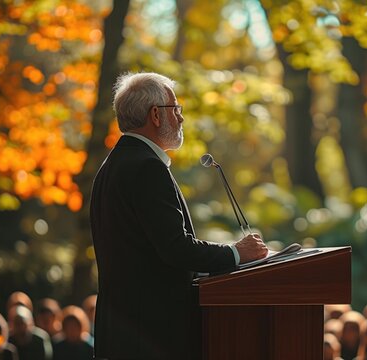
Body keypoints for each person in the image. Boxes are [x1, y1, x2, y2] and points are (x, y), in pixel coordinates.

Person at [90, 72, 268, 359]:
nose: (181, 118)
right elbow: (175, 248)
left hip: (122, 332)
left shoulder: (113, 165)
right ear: (156, 115)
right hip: (151, 335)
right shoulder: (147, 168)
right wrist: (236, 253)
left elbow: (149, 249)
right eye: (176, 109)